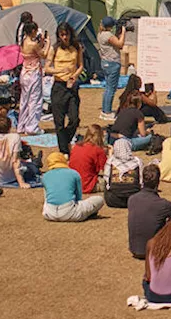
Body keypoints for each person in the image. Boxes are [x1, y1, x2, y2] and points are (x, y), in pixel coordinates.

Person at [128, 164, 171, 259]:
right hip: (154, 251)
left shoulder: (132, 199)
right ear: (157, 182)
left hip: (134, 249)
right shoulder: (163, 204)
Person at [47, 22, 83, 155]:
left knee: (74, 119)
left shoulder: (76, 47)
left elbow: (80, 65)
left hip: (71, 86)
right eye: (62, 35)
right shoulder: (55, 49)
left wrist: (74, 75)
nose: (64, 37)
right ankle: (64, 150)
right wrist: (60, 70)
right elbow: (47, 68)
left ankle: (65, 140)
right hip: (59, 86)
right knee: (59, 121)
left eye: (66, 34)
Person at [41, 152, 104, 222]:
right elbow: (78, 197)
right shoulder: (74, 173)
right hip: (70, 213)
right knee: (99, 199)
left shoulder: (45, 176)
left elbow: (46, 197)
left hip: (49, 214)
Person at [0, 116, 33, 188]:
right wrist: (21, 183)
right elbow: (15, 161)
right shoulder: (15, 137)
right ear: (9, 127)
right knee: (32, 167)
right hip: (13, 177)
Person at [17, 21, 48, 135]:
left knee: (24, 100)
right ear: (33, 31)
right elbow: (43, 54)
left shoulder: (24, 41)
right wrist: (47, 43)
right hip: (33, 73)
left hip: (25, 72)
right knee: (35, 100)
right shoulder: (32, 44)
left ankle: (21, 125)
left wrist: (41, 42)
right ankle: (32, 127)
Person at [98, 17, 126, 121]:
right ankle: (107, 112)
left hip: (105, 63)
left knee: (108, 88)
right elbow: (120, 44)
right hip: (112, 63)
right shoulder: (108, 35)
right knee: (111, 89)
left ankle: (105, 110)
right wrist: (123, 32)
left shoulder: (100, 34)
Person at [105, 138, 144, 209]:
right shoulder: (137, 162)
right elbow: (141, 182)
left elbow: (106, 180)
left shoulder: (111, 161)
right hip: (134, 199)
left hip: (113, 200)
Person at [69, 125, 108, 193]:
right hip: (87, 185)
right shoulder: (98, 150)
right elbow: (106, 169)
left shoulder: (76, 146)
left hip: (72, 184)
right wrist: (109, 155)